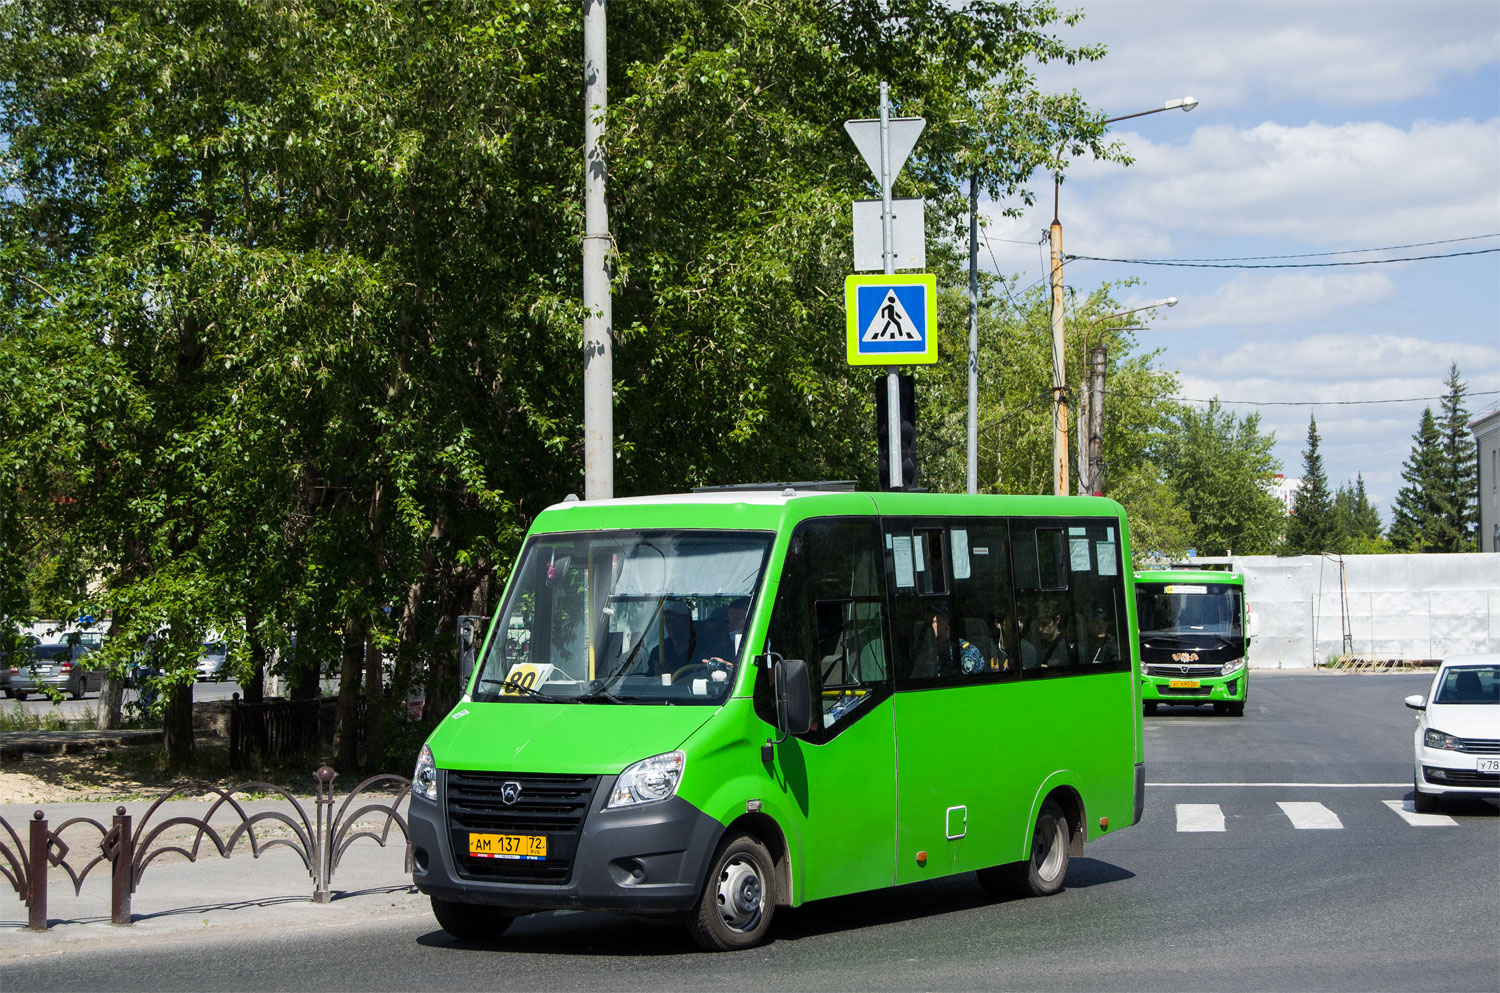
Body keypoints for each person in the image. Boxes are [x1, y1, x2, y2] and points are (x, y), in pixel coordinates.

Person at [919, 601, 985, 677]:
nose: (928, 627)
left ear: (947, 623)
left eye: (933, 621)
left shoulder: (966, 653)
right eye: (926, 623)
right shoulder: (924, 650)